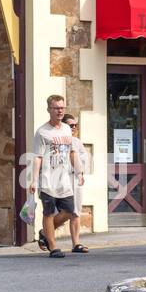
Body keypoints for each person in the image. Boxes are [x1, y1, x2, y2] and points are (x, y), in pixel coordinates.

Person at [29, 94, 79, 258]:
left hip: (63, 179)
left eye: (62, 108)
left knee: (69, 212)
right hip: (48, 178)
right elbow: (37, 157)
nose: (60, 111)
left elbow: (71, 151)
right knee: (48, 212)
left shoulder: (66, 129)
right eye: (56, 108)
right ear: (49, 109)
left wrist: (78, 171)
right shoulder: (42, 132)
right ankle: (53, 246)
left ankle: (44, 233)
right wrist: (34, 180)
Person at [63, 114, 89, 253]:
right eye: (70, 125)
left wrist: (81, 174)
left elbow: (83, 160)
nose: (73, 127)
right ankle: (47, 234)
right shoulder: (60, 141)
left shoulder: (77, 142)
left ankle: (76, 243)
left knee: (76, 211)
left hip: (76, 179)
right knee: (61, 212)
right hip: (63, 179)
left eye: (75, 125)